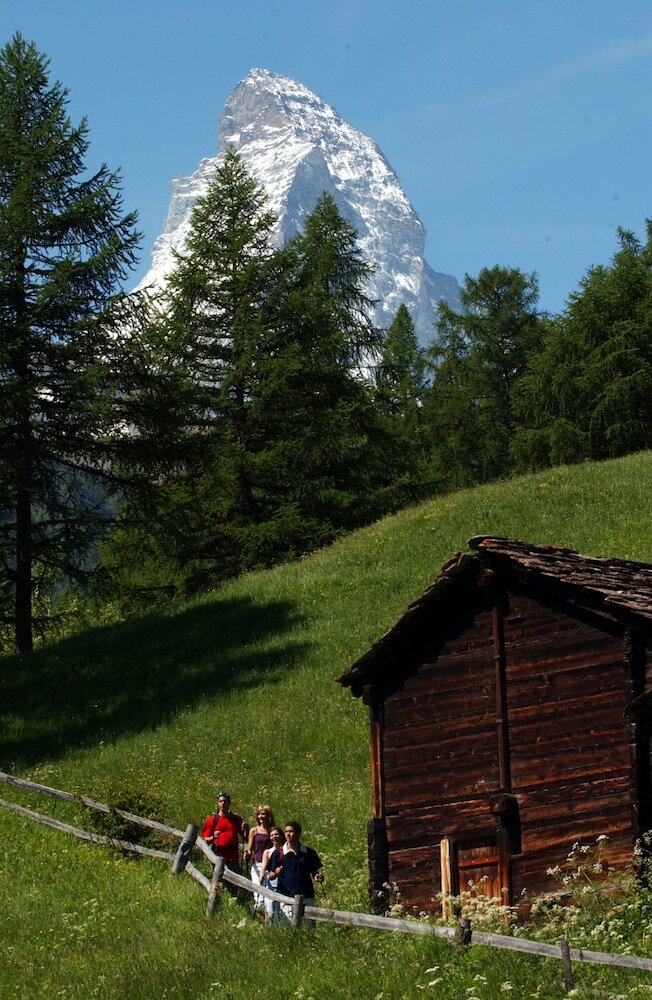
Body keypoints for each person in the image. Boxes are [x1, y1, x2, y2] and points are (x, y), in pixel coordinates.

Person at [266, 820, 324, 927]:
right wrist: (276, 873)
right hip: (286, 896)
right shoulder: (278, 853)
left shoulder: (308, 853)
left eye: (291, 831)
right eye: (286, 831)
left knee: (308, 928)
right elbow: (270, 876)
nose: (288, 834)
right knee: (288, 928)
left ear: (298, 833)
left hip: (306, 895)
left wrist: (317, 877)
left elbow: (314, 873)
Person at [200, 791, 248, 886]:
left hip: (233, 856)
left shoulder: (235, 819)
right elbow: (204, 840)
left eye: (225, 801)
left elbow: (246, 837)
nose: (223, 803)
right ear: (218, 803)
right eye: (221, 801)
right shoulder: (212, 820)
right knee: (219, 881)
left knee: (235, 882)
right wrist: (213, 837)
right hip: (218, 855)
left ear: (229, 803)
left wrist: (246, 828)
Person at [245, 805, 275, 912]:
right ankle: (260, 914)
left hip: (270, 866)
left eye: (263, 814)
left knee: (270, 893)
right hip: (257, 865)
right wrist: (247, 854)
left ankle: (269, 915)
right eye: (259, 814)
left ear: (268, 815)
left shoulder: (273, 831)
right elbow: (250, 849)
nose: (261, 816)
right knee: (258, 893)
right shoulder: (254, 831)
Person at [257, 825, 285, 923]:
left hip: (283, 881)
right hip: (271, 880)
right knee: (270, 907)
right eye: (272, 835)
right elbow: (263, 867)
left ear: (281, 836)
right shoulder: (267, 852)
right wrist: (261, 876)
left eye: (276, 834)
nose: (274, 837)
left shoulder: (286, 849)